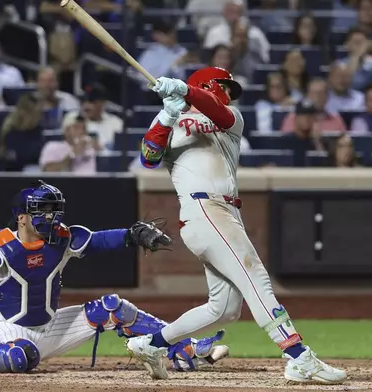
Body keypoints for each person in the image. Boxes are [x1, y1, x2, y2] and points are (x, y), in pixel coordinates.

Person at [126, 68, 347, 383]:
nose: (228, 93)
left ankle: (152, 344)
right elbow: (149, 157)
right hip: (203, 209)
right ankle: (298, 357)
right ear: (208, 84)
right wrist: (165, 116)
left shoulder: (229, 116)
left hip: (226, 211)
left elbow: (217, 110)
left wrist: (185, 91)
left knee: (224, 308)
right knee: (255, 277)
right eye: (224, 86)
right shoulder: (173, 117)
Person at [0, 181, 228, 373]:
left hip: (50, 327)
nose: (52, 218)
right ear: (22, 217)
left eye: (54, 211)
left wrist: (133, 235)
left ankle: (179, 350)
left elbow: (98, 241)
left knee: (114, 307)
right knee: (19, 357)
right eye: (43, 211)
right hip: (9, 332)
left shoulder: (62, 239)